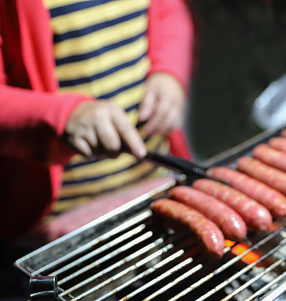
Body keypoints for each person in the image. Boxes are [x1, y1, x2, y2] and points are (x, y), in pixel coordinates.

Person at [0, 0, 194, 244]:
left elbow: (168, 10)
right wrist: (63, 117)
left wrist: (169, 71)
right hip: (57, 220)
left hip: (154, 183)